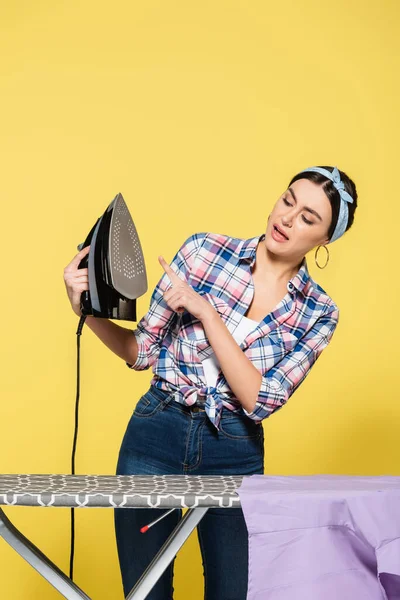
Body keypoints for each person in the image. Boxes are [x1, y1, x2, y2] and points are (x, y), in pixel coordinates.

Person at [63, 165, 358, 600]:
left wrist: (207, 313)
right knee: (146, 593)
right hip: (155, 436)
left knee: (230, 593)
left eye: (308, 218)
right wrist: (85, 310)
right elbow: (142, 351)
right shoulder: (203, 252)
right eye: (288, 200)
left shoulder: (318, 312)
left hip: (234, 453)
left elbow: (260, 399)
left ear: (326, 239)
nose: (287, 219)